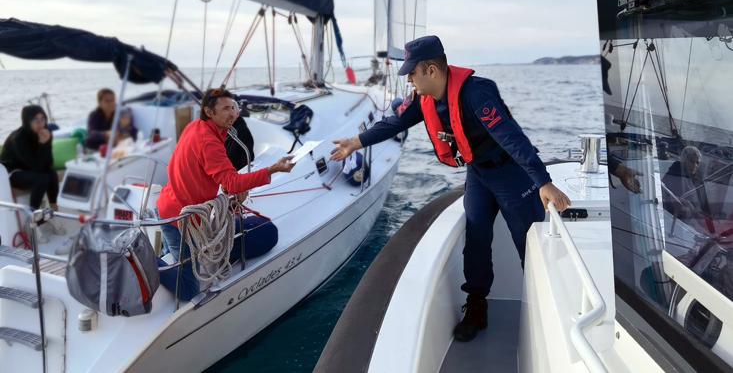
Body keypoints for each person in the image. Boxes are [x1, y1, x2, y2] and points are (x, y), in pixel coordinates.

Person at [330, 36, 571, 342]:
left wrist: (543, 181)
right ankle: (476, 307)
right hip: (479, 175)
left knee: (529, 243)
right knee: (477, 238)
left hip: (511, 174)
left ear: (431, 70)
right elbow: (395, 123)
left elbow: (511, 137)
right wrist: (357, 142)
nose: (410, 80)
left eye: (412, 73)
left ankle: (549, 309)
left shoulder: (476, 92)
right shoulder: (425, 99)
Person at [157, 88, 295, 300]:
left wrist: (230, 189)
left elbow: (207, 171)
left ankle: (165, 256)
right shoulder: (209, 142)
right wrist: (272, 170)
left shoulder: (195, 127)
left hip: (172, 206)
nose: (233, 114)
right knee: (188, 290)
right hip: (179, 220)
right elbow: (231, 181)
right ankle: (147, 262)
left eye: (234, 108)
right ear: (209, 112)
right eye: (226, 109)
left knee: (179, 257)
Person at [1, 105, 58, 210]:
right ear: (27, 121)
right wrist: (43, 144)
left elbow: (48, 164)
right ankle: (33, 214)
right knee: (42, 178)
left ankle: (54, 206)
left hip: (29, 168)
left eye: (42, 119)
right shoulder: (19, 139)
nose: (40, 123)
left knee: (52, 173)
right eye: (35, 120)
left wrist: (45, 144)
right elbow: (37, 167)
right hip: (11, 173)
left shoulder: (45, 133)